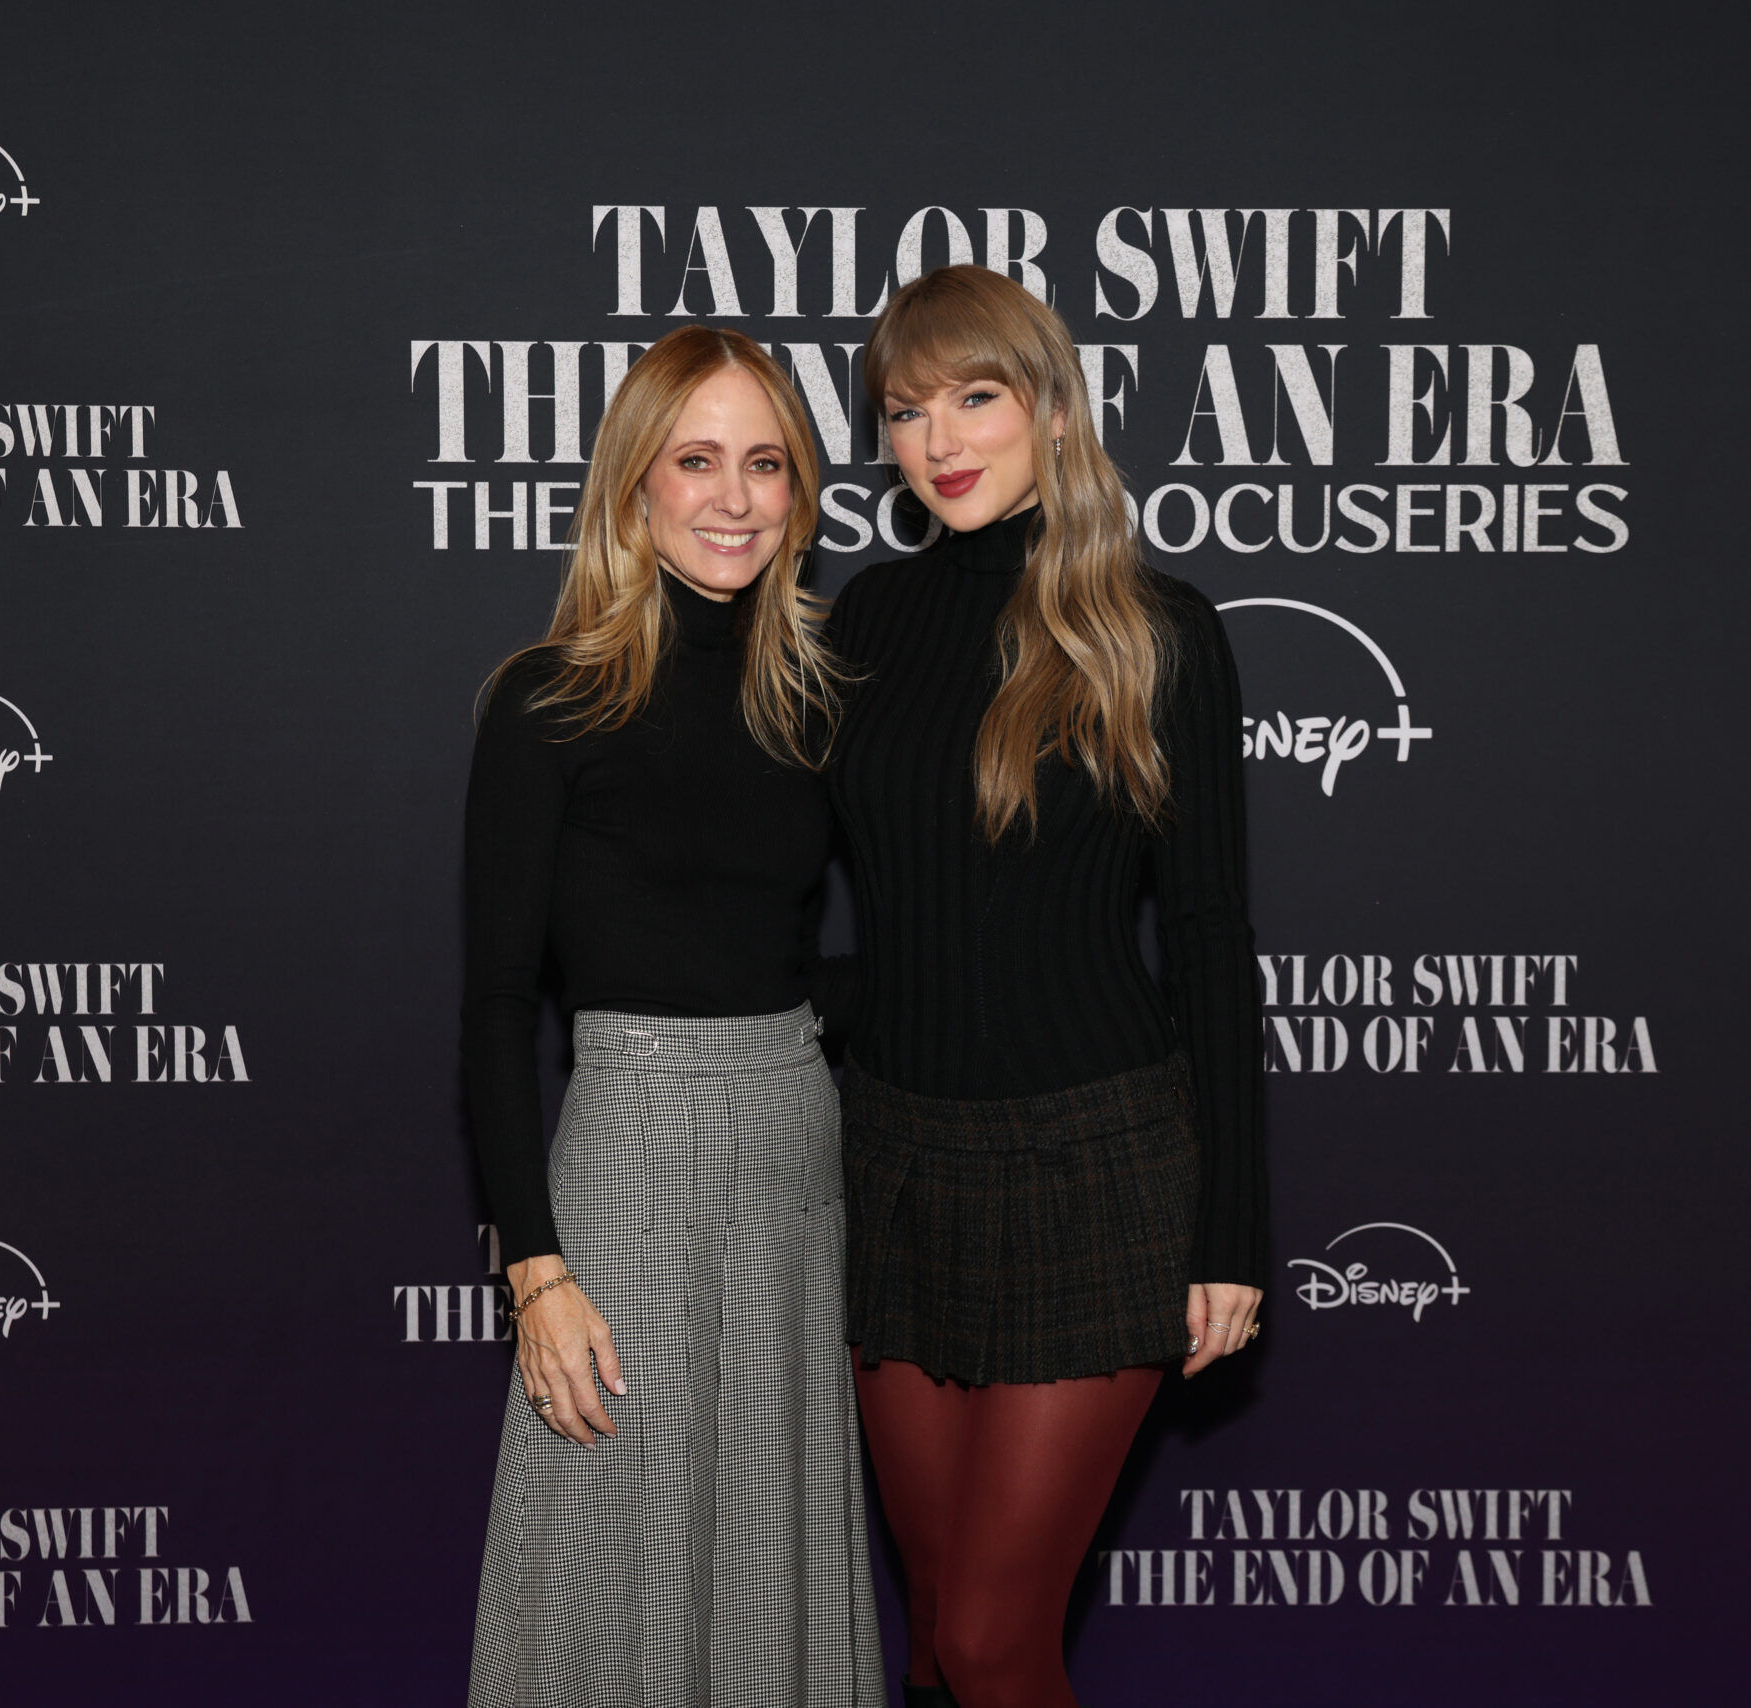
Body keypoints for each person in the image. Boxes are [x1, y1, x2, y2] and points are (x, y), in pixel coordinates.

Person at [828, 265, 1269, 1708]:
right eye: (906, 411)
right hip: (894, 1163)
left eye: (977, 397)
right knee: (933, 1636)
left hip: (1096, 1167)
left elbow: (1209, 936)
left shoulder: (1155, 628)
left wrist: (1231, 1234)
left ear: (1054, 410)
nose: (941, 440)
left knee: (990, 1641)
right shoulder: (862, 624)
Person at [461, 324, 884, 1708]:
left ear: (800, 492)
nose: (734, 497)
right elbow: (495, 1005)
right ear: (634, 482)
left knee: (770, 1543)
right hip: (630, 1153)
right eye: (697, 460)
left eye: (766, 463)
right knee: (601, 1555)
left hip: (793, 1153)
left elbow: (802, 961)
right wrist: (538, 1272)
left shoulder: (817, 699)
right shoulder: (548, 701)